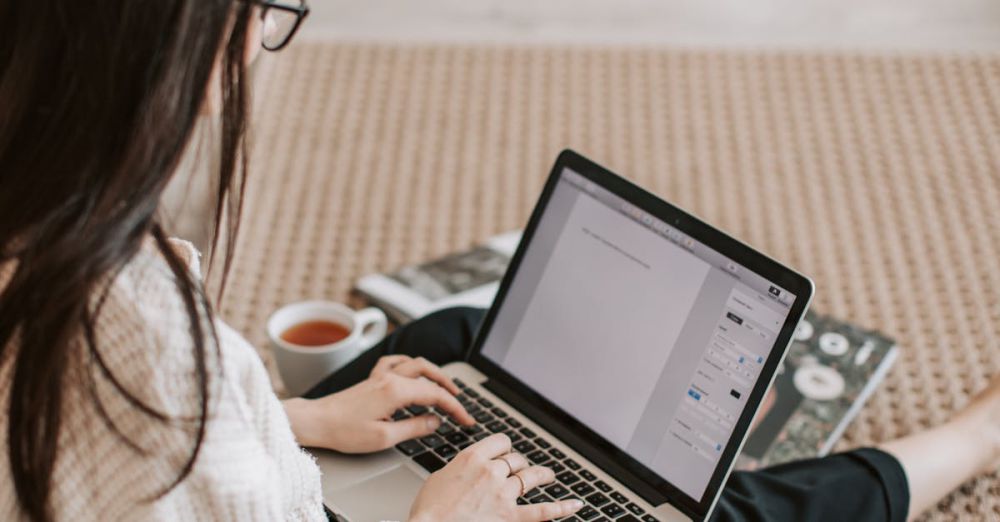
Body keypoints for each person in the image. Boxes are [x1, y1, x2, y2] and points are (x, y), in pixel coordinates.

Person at [0, 1, 996, 521]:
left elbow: (153, 461)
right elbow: (167, 426)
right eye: (259, 12)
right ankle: (969, 442)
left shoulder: (45, 246)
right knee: (726, 514)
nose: (261, 41)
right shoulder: (140, 339)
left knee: (452, 347)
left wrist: (303, 419)